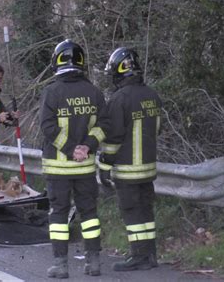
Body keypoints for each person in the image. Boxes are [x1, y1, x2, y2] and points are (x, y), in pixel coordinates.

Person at [39, 39, 109, 278]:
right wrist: (87, 148)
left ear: (57, 62)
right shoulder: (94, 92)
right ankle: (94, 262)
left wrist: (70, 150)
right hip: (85, 168)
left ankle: (60, 265)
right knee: (89, 213)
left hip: (58, 169)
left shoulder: (51, 92)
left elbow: (47, 127)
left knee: (58, 215)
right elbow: (103, 126)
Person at [98, 47, 162, 271]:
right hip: (148, 168)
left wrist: (104, 165)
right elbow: (158, 129)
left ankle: (137, 256)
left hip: (128, 170)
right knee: (146, 210)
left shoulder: (119, 99)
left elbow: (113, 137)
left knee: (132, 213)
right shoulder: (152, 95)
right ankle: (150, 255)